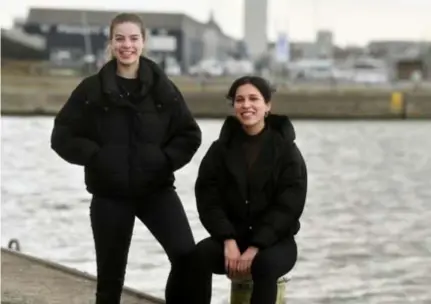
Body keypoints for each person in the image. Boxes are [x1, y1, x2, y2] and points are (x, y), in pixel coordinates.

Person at [50, 13, 202, 304]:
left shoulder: (163, 88)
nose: (127, 45)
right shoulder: (91, 89)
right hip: (109, 194)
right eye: (120, 38)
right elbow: (62, 136)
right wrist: (96, 156)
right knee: (110, 278)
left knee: (187, 255)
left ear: (143, 43)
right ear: (111, 43)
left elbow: (189, 135)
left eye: (133, 38)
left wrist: (163, 159)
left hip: (155, 190)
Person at [192, 76, 307, 304]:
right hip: (231, 239)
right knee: (194, 258)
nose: (246, 105)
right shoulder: (220, 149)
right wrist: (228, 239)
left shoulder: (286, 151)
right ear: (233, 105)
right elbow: (208, 198)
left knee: (264, 265)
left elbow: (289, 206)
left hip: (275, 242)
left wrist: (256, 246)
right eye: (239, 100)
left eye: (254, 99)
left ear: (267, 106)